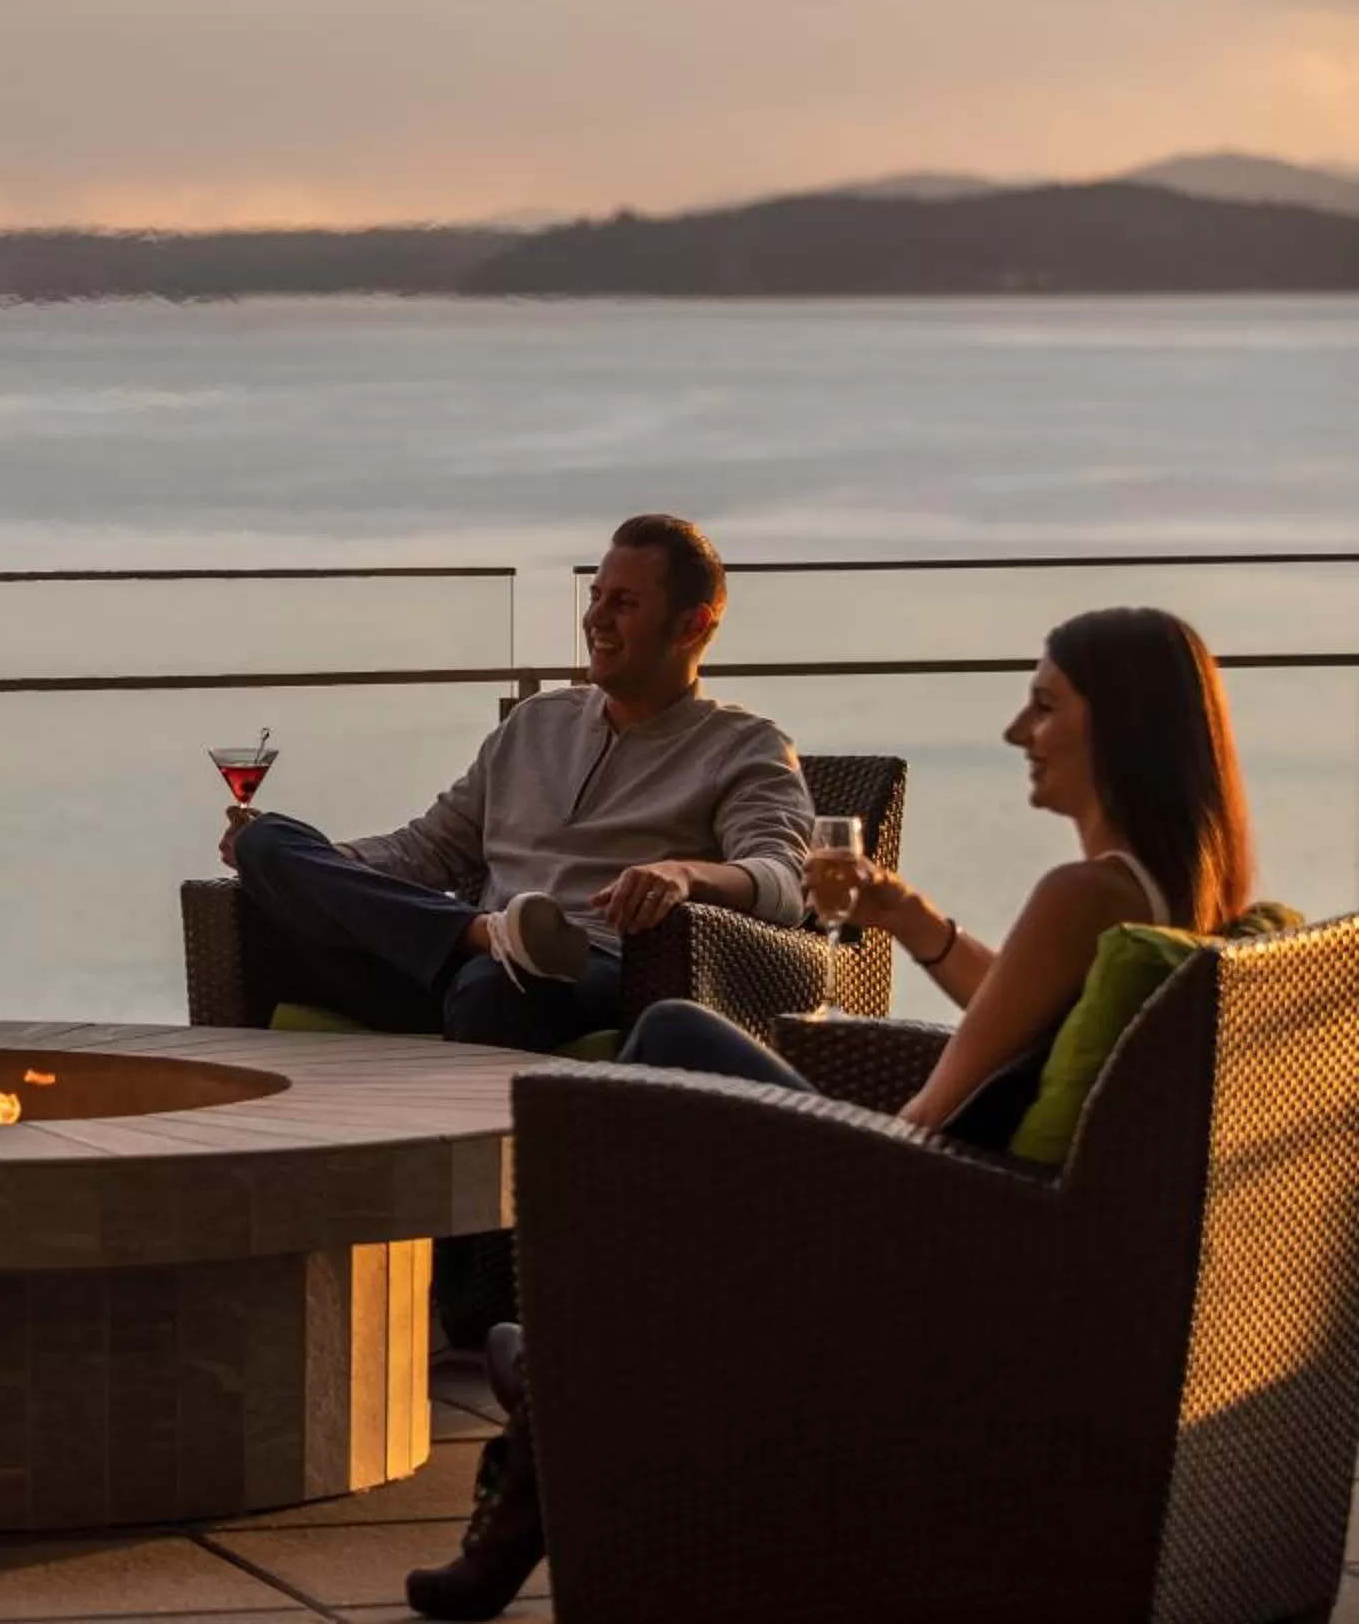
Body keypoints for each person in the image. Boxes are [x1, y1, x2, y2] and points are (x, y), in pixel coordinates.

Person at [403, 604, 1255, 1620]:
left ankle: (547, 1386)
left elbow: (934, 1112)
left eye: (1042, 706)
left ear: (1117, 724)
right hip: (1019, 1225)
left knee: (670, 1045)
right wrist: (903, 915)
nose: (1017, 733)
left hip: (935, 1229)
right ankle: (547, 1389)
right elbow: (1017, 1023)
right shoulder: (1174, 888)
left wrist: (798, 1157)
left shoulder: (1079, 893)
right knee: (674, 1075)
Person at [222, 513, 814, 1053]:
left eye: (624, 603)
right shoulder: (536, 722)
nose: (596, 619)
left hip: (591, 968)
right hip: (461, 955)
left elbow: (785, 881)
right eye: (596, 597)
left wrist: (684, 874)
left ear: (691, 626)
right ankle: (484, 934)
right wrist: (327, 866)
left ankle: (490, 970)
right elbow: (427, 849)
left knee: (492, 988)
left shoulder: (743, 745)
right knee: (266, 843)